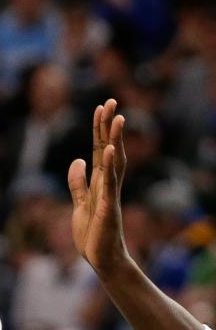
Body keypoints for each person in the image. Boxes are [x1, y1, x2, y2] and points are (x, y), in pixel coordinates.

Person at [67, 99, 212, 329]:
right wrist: (113, 264)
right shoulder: (113, 178)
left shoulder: (168, 174)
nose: (132, 147)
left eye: (138, 140)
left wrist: (115, 265)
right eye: (128, 140)